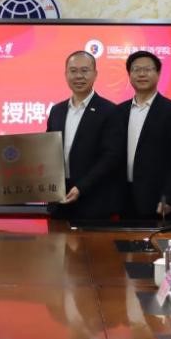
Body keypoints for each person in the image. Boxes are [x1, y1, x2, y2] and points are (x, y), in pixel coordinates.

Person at [46, 50, 123, 220]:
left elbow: (111, 157)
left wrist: (82, 187)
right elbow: (48, 151)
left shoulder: (109, 110)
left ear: (95, 74)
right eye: (73, 71)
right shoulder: (57, 110)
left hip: (93, 201)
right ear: (66, 74)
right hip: (59, 200)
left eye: (84, 70)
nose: (78, 76)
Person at [117, 50, 171, 220]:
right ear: (129, 74)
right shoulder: (119, 111)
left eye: (148, 69)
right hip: (123, 199)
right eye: (136, 69)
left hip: (158, 201)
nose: (142, 74)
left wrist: (169, 197)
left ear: (158, 73)